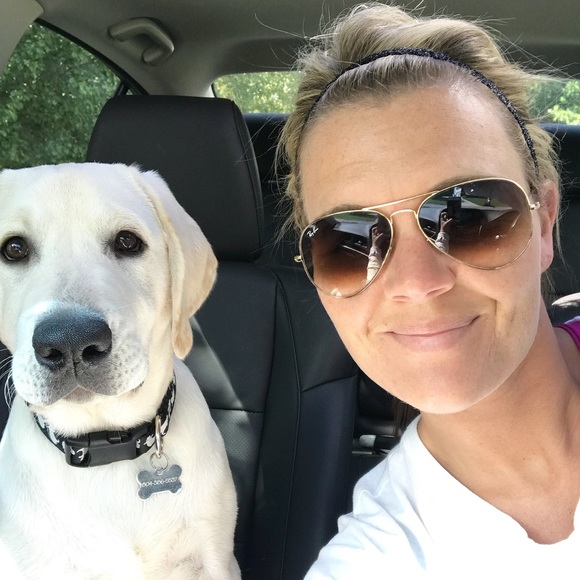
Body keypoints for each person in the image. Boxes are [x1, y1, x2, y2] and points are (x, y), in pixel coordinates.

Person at [280, 3, 580, 577]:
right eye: (347, 243)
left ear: (544, 224)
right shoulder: (371, 559)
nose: (417, 284)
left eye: (470, 215)